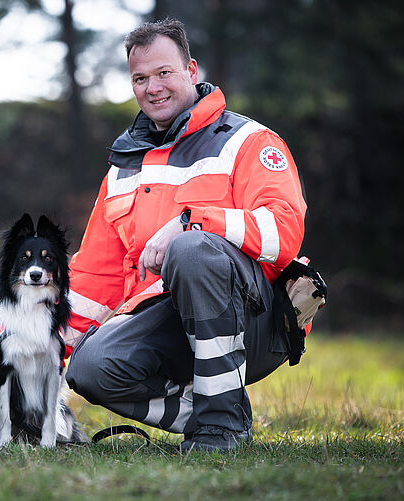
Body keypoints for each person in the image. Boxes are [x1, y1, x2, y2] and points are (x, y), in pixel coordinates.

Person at [63, 19, 307, 452]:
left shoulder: (249, 141)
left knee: (192, 250)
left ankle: (221, 429)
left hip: (255, 325)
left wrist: (191, 222)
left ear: (191, 70)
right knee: (90, 368)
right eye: (140, 78)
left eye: (164, 73)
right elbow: (92, 283)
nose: (152, 87)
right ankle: (218, 411)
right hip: (167, 323)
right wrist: (35, 346)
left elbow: (283, 231)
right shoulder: (123, 169)